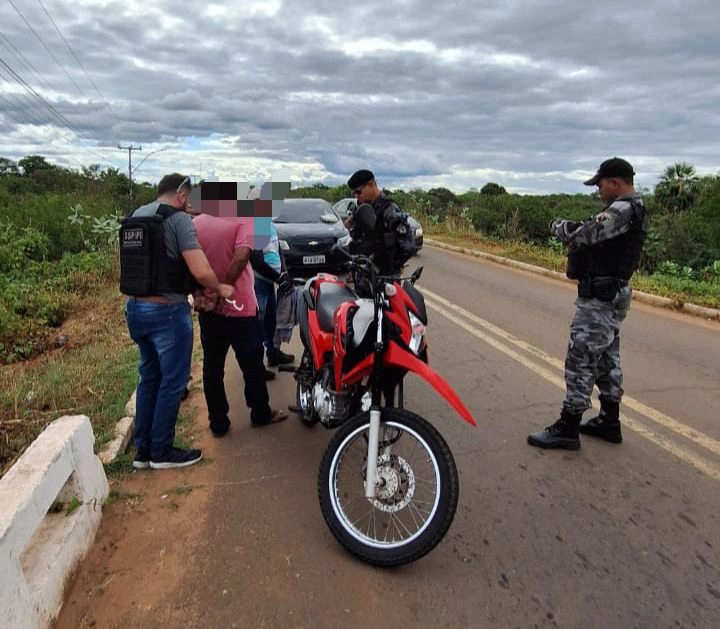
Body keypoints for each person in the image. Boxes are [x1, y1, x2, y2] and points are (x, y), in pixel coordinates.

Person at [527, 157, 648, 450]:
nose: (599, 191)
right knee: (607, 359)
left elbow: (583, 234)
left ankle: (568, 427)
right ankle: (609, 420)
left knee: (580, 359)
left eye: (601, 184)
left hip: (601, 298)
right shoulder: (636, 208)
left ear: (616, 182)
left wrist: (558, 226)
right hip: (613, 294)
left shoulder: (622, 210)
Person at [121, 173, 234, 470]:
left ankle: (143, 451)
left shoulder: (136, 216)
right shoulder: (177, 220)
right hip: (166, 312)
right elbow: (199, 269)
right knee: (173, 382)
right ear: (182, 196)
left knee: (149, 377)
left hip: (135, 309)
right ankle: (162, 451)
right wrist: (219, 287)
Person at [192, 210, 288, 437]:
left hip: (208, 309)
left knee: (212, 367)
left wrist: (202, 293)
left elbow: (185, 262)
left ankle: (218, 422)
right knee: (252, 364)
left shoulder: (195, 224)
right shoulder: (243, 220)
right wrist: (221, 291)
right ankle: (260, 413)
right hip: (241, 309)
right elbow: (242, 256)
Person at [345, 169, 415, 406]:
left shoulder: (389, 209)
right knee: (358, 330)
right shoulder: (362, 211)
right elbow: (354, 241)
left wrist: (392, 266)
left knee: (385, 334)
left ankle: (384, 386)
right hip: (363, 283)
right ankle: (359, 382)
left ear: (372, 184)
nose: (357, 197)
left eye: (359, 191)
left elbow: (408, 242)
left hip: (384, 285)